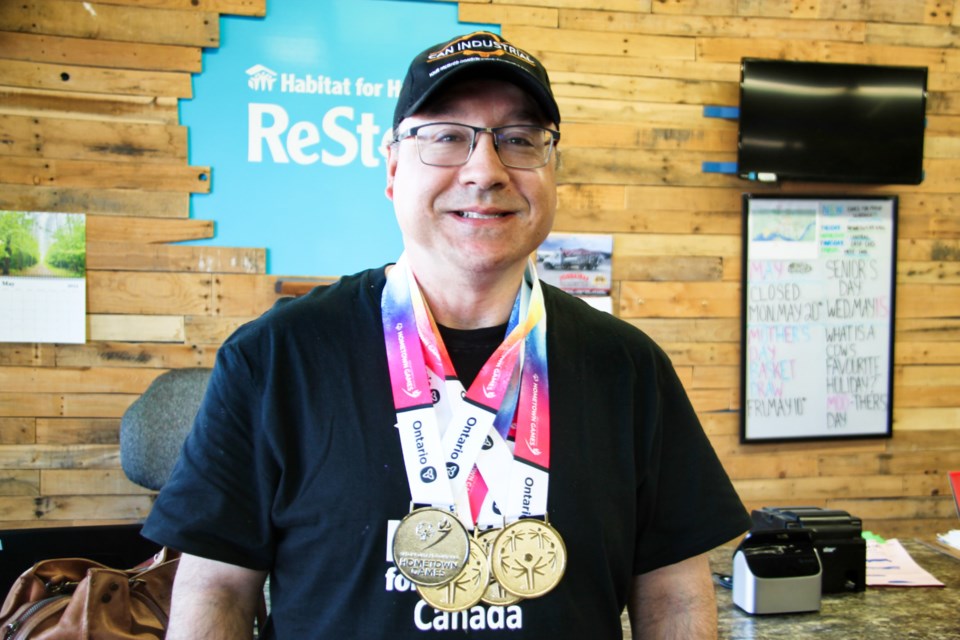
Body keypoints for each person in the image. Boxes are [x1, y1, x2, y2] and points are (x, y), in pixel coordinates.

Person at [143, 31, 750, 639]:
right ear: (392, 169)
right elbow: (217, 589)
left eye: (518, 140)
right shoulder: (275, 358)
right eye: (447, 138)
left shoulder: (629, 368)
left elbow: (674, 594)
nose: (485, 171)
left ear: (552, 171)